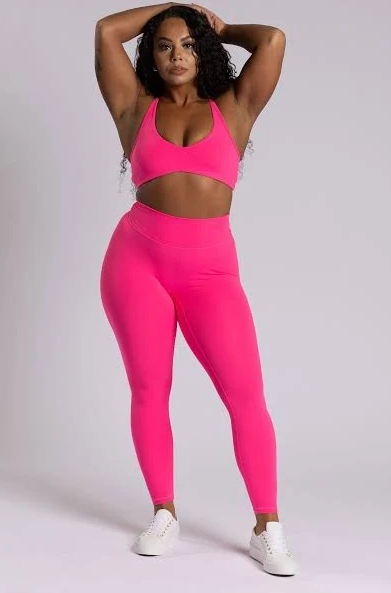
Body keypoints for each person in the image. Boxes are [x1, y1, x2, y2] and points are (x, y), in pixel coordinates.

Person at [94, 3, 296, 576]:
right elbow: (107, 31)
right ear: (152, 57)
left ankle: (267, 527)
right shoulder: (134, 107)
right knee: (149, 389)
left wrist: (221, 28)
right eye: (164, 45)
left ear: (203, 51)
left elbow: (273, 41)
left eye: (187, 44)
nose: (177, 55)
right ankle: (163, 512)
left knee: (246, 395)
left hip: (211, 273)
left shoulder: (234, 107)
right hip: (136, 264)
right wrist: (169, 7)